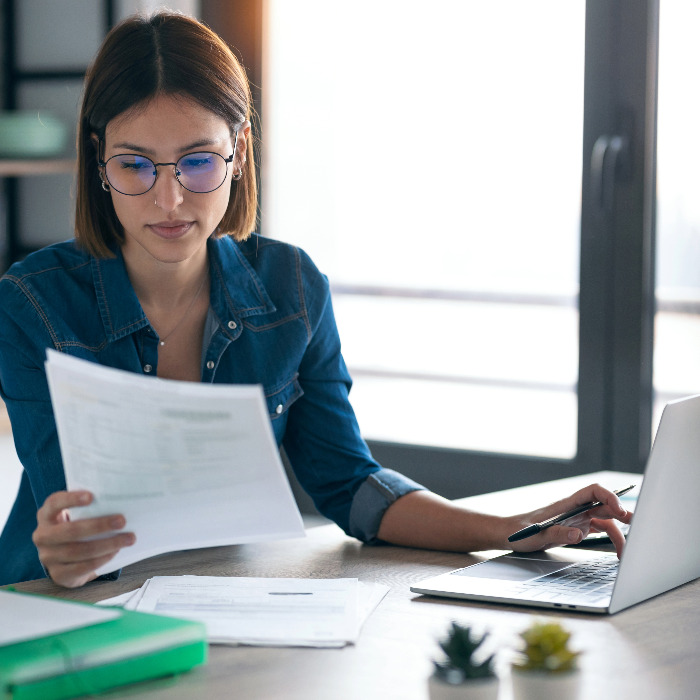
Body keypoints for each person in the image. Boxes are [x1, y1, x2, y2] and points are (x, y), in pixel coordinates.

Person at [0, 11, 631, 588]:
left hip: (224, 605)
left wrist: (513, 529)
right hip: (56, 605)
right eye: (136, 165)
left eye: (197, 163)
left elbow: (350, 484)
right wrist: (68, 548)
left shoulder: (291, 288)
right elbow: (70, 520)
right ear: (98, 160)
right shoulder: (31, 303)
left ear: (239, 151)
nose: (169, 201)